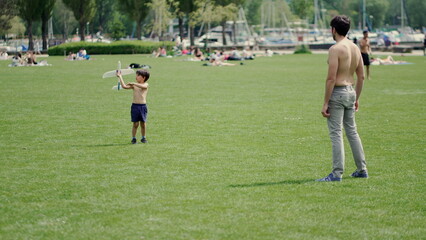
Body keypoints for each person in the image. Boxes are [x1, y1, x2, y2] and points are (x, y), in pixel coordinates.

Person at [317, 15, 368, 182]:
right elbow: (361, 77)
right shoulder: (355, 47)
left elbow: (331, 78)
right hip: (351, 91)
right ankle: (362, 169)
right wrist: (356, 97)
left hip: (338, 93)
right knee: (352, 132)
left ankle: (337, 173)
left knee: (336, 134)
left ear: (334, 30)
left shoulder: (335, 49)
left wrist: (325, 102)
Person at [116, 69, 150, 144]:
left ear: (143, 77)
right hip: (135, 106)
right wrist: (120, 77)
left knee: (143, 124)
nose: (136, 77)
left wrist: (133, 83)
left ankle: (143, 138)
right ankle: (133, 138)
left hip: (142, 107)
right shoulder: (134, 86)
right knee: (135, 124)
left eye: (138, 75)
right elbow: (124, 86)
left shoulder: (146, 84)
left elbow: (143, 86)